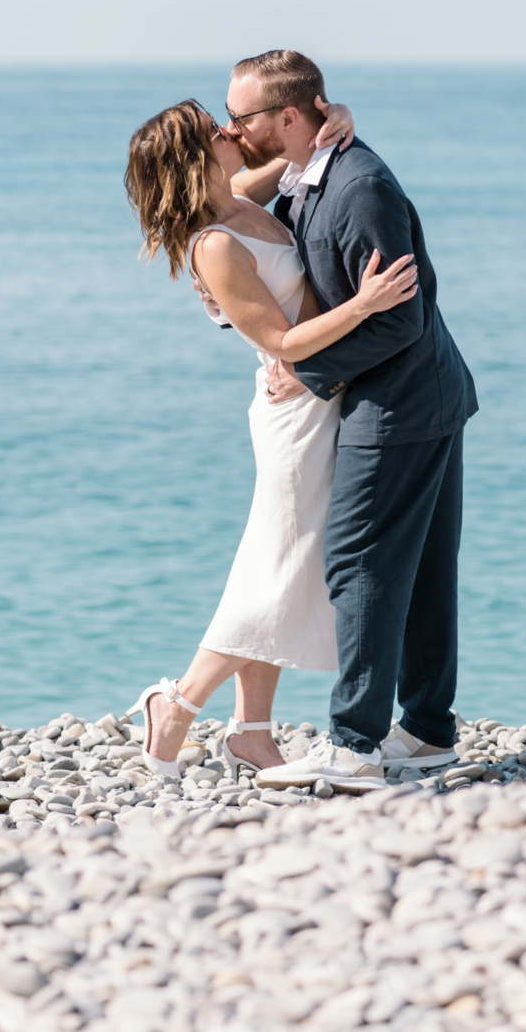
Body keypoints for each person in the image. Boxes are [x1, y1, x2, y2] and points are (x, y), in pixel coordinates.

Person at [122, 97, 418, 785]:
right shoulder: (216, 243)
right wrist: (364, 305)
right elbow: (279, 341)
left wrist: (334, 119)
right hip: (294, 414)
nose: (230, 132)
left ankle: (252, 731)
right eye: (213, 131)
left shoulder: (239, 197)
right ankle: (175, 705)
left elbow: (296, 155)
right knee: (279, 571)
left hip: (322, 395)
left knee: (279, 568)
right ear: (192, 159)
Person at [220, 51, 480, 792]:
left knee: (358, 561)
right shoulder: (309, 175)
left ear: (289, 118)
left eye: (244, 118)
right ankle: (426, 731)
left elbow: (401, 319)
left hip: (399, 399)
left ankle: (354, 745)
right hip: (411, 396)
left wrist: (302, 371)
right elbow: (232, 191)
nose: (235, 132)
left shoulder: (358, 187)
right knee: (423, 568)